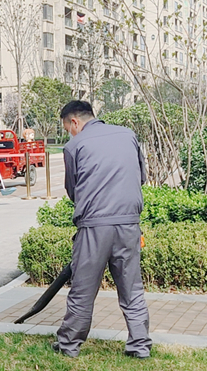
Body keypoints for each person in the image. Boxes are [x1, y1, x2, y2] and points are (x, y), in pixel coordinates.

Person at [54, 100, 151, 359]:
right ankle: (140, 346)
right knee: (132, 289)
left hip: (94, 226)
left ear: (74, 122)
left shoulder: (75, 145)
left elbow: (72, 189)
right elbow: (141, 176)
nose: (69, 133)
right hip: (129, 224)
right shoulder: (128, 135)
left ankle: (68, 345)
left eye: (67, 127)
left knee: (83, 290)